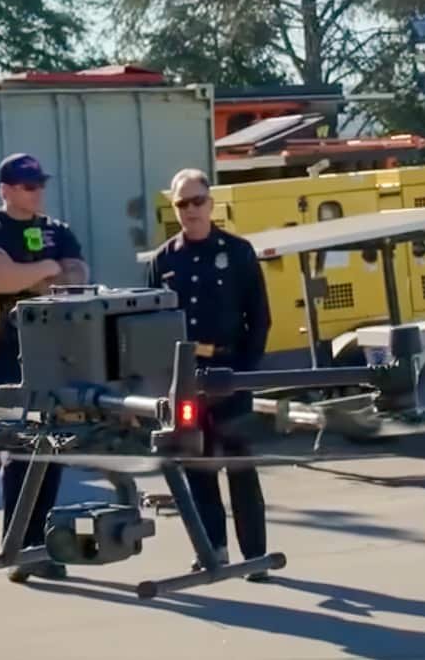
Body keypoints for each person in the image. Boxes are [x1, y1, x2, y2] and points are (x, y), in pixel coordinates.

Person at [144, 167, 272, 581]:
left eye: (198, 201)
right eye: (182, 203)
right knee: (197, 467)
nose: (191, 210)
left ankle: (254, 555)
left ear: (211, 204)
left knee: (239, 466)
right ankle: (211, 550)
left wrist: (244, 374)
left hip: (229, 372)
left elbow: (260, 318)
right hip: (187, 378)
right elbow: (150, 322)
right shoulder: (165, 259)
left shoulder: (237, 252)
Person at [0, 153, 90, 583]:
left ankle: (43, 545)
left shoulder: (58, 231)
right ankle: (17, 545)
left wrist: (26, 274)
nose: (36, 191)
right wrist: (44, 271)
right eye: (26, 185)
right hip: (7, 352)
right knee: (19, 449)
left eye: (39, 183)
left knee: (54, 449)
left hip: (58, 353)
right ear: (5, 189)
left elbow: (77, 277)